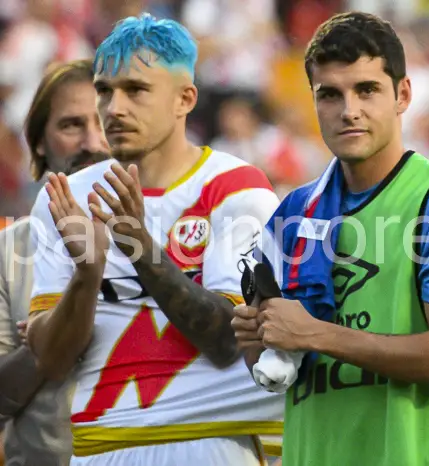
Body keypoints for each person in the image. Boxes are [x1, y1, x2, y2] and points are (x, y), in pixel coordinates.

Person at [25, 14, 284, 466]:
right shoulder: (65, 198)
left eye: (136, 90)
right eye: (105, 90)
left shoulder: (236, 187)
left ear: (185, 99)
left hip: (212, 445)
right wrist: (88, 275)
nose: (114, 108)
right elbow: (50, 362)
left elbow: (228, 342)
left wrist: (141, 249)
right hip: (98, 450)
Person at [231, 11, 429, 466]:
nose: (349, 110)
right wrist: (257, 337)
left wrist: (317, 334)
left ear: (403, 94)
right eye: (330, 94)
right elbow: (273, 365)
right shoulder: (292, 212)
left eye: (366, 90)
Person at [0, 59, 110, 466]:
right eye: (71, 125)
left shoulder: (172, 235)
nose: (92, 142)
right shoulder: (7, 252)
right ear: (40, 143)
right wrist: (51, 339)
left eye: (103, 123)